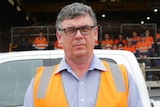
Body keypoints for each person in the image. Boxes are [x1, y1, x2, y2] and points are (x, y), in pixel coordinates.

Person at [24, 2, 143, 107]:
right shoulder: (40, 82)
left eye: (85, 29)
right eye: (70, 30)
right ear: (59, 37)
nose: (79, 35)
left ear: (95, 33)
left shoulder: (122, 77)